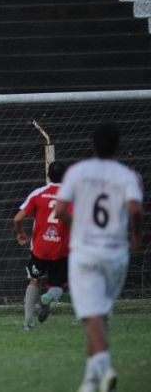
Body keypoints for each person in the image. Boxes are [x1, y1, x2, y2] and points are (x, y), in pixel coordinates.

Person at [54, 122, 143, 392]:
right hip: (116, 254)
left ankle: (104, 367)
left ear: (92, 144)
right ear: (118, 146)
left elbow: (59, 210)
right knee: (99, 315)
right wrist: (135, 235)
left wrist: (76, 224)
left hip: (86, 253)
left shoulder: (78, 172)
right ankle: (91, 381)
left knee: (92, 314)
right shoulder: (126, 175)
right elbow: (135, 208)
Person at [13, 161, 70, 330]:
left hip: (40, 248)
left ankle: (27, 323)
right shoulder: (70, 196)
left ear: (48, 175)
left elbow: (17, 218)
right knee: (58, 286)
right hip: (60, 249)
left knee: (33, 281)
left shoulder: (38, 194)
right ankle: (47, 298)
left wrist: (20, 232)